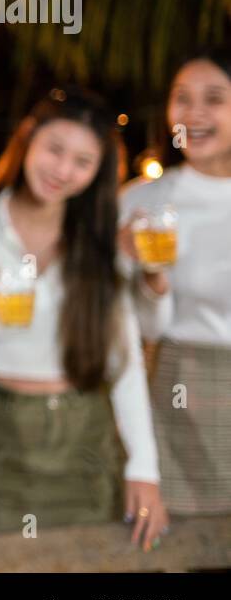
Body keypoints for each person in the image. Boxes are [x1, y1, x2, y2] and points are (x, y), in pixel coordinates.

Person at [0, 90, 165, 549]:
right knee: (3, 559)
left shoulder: (98, 242)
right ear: (27, 140)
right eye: (54, 150)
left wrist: (143, 469)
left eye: (83, 161)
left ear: (97, 173)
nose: (63, 170)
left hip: (85, 432)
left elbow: (125, 362)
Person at [119, 48, 231, 517]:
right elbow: (132, 331)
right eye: (181, 98)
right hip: (170, 387)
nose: (194, 114)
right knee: (171, 551)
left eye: (214, 99)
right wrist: (149, 280)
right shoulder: (140, 201)